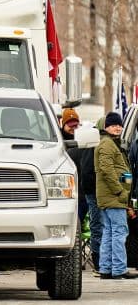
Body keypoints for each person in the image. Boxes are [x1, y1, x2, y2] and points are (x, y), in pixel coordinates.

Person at [95, 111, 136, 280]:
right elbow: (107, 169)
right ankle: (119, 269)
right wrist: (120, 191)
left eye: (119, 125)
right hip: (113, 196)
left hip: (109, 197)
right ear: (106, 127)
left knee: (110, 232)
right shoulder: (107, 145)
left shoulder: (110, 143)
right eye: (113, 125)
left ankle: (106, 268)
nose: (117, 128)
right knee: (119, 232)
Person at [78, 116, 103, 273]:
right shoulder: (94, 144)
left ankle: (101, 260)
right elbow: (87, 171)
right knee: (97, 226)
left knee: (99, 226)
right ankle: (98, 260)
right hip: (93, 192)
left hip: (93, 191)